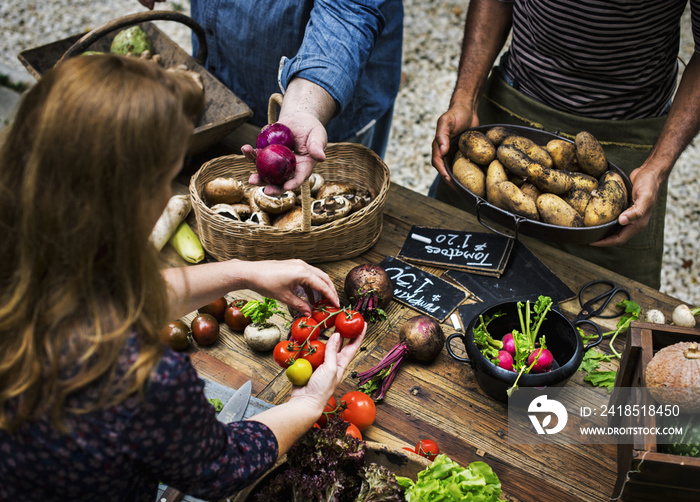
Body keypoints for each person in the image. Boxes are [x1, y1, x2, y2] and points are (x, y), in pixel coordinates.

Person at [0, 54, 365, 501]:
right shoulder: (137, 376)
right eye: (165, 176)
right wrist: (307, 405)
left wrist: (240, 272)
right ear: (126, 203)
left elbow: (111, 301)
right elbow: (219, 468)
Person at [431, 0, 700, 289]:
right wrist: (464, 98)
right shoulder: (496, 152)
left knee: (606, 303)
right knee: (447, 274)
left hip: (625, 140)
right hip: (509, 115)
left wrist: (656, 168)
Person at [139, 0, 403, 196]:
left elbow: (348, 13)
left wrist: (304, 108)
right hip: (227, 75)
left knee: (332, 198)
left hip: (323, 96)